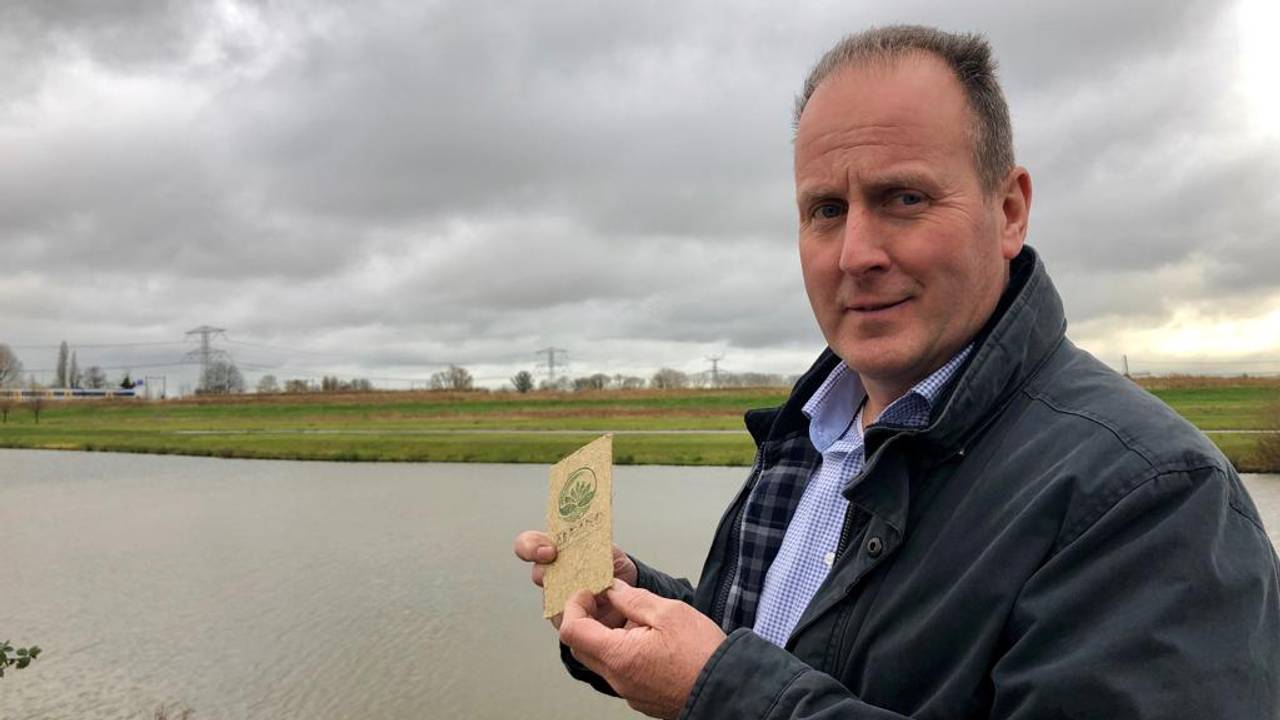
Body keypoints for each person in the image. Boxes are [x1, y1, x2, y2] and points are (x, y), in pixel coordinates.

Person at [514, 25, 1280, 719]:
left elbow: (742, 687)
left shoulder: (1156, 500)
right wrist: (642, 613)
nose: (856, 254)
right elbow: (781, 649)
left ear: (1009, 210)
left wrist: (715, 692)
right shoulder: (811, 434)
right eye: (824, 210)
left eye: (903, 198)